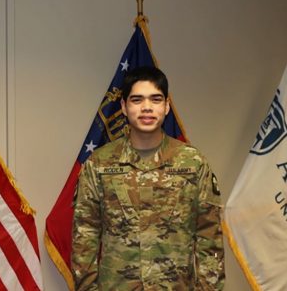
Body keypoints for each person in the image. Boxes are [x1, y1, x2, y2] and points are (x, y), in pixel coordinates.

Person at [71, 66, 225, 290]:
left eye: (155, 99)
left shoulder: (192, 163)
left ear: (166, 106)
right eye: (137, 100)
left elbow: (209, 238)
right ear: (124, 107)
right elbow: (84, 238)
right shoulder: (99, 164)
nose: (146, 108)